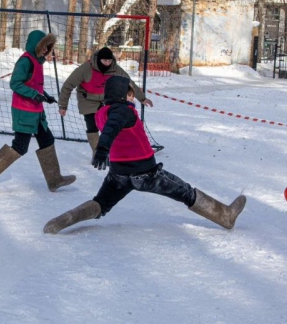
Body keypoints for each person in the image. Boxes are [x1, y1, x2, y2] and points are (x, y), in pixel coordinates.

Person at [44, 76, 246, 234]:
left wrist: (104, 147)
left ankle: (67, 218)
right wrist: (103, 148)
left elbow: (110, 128)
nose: (133, 98)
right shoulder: (123, 111)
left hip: (118, 174)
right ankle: (224, 216)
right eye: (130, 94)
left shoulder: (101, 112)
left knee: (101, 203)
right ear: (124, 95)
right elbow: (114, 125)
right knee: (185, 191)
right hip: (146, 174)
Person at [0, 30, 75, 195]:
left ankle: (54, 179)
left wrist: (45, 96)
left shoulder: (37, 62)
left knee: (47, 140)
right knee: (20, 147)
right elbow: (15, 83)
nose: (45, 50)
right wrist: (34, 95)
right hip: (24, 111)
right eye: (43, 47)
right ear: (36, 46)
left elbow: (34, 85)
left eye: (47, 47)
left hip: (36, 111)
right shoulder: (25, 62)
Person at [57, 46, 153, 156]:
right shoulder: (85, 69)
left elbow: (129, 83)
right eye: (105, 60)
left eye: (109, 60)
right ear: (99, 59)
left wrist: (142, 98)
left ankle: (110, 149)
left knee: (109, 124)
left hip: (105, 99)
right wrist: (63, 106)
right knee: (92, 125)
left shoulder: (115, 68)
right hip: (87, 99)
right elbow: (68, 85)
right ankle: (97, 152)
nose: (107, 63)